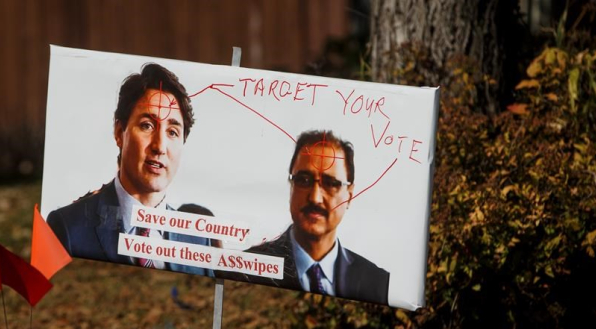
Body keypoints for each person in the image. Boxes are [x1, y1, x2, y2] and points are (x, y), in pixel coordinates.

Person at [47, 63, 213, 276]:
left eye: (172, 132)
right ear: (119, 133)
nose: (160, 146)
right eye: (147, 126)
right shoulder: (68, 227)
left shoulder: (198, 238)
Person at [245, 130, 390, 304]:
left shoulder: (377, 283)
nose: (315, 197)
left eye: (330, 183)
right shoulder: (247, 267)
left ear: (349, 196)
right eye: (304, 180)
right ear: (291, 185)